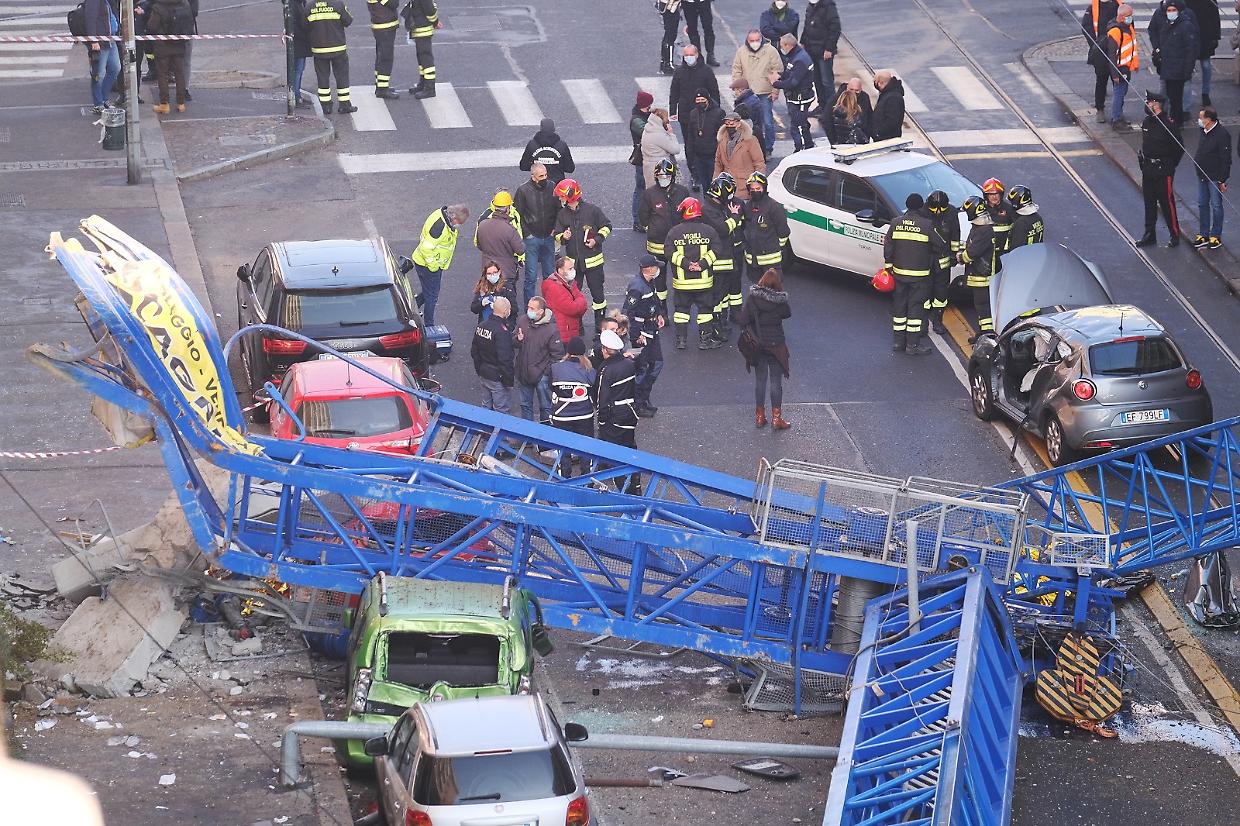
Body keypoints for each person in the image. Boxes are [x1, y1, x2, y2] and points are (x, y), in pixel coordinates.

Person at [883, 193, 944, 356]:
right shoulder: (927, 225)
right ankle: (913, 345)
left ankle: (898, 342)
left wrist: (889, 266)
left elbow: (888, 245)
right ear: (920, 206)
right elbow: (939, 245)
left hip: (899, 274)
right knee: (915, 310)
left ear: (907, 205)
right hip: (919, 276)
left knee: (899, 308)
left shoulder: (896, 222)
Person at [735, 268, 791, 430]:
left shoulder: (753, 299)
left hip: (758, 345)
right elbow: (787, 313)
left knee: (760, 380)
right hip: (776, 345)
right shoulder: (780, 302)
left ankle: (760, 416)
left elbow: (743, 320)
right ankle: (776, 419)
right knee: (775, 382)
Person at [666, 197, 724, 350]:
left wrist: (687, 265)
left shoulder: (674, 232)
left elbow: (669, 252)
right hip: (703, 283)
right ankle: (705, 340)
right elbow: (717, 250)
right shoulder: (709, 231)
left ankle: (681, 340)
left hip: (682, 283)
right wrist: (701, 265)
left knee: (681, 311)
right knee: (705, 311)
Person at [553, 179, 612, 329]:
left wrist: (596, 240)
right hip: (573, 266)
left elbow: (607, 226)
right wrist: (563, 237)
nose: (560, 199)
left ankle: (600, 327)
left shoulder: (592, 211)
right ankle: (577, 327)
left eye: (562, 196)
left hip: (594, 263)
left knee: (598, 297)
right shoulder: (562, 214)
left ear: (570, 195)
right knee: (573, 296)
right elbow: (557, 234)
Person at [594, 328, 641, 493]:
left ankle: (624, 491)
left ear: (606, 350)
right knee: (630, 451)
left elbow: (601, 399)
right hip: (629, 414)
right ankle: (636, 487)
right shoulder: (629, 364)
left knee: (614, 457)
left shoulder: (606, 370)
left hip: (613, 418)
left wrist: (601, 421)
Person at [639, 158, 692, 305]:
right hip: (657, 244)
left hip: (678, 244)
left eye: (667, 176)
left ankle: (681, 305)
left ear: (672, 176)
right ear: (656, 176)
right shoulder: (650, 194)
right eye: (661, 176)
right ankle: (661, 307)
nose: (664, 178)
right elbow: (643, 216)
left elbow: (688, 214)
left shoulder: (682, 192)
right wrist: (653, 229)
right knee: (659, 278)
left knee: (680, 276)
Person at [1135, 90, 1184, 248]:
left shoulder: (1168, 124)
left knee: (1166, 203)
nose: (1147, 104)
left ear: (1156, 104)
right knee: (1149, 203)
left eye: (1149, 102)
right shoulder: (1147, 122)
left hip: (1163, 170)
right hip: (1148, 168)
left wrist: (1170, 165)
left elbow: (1179, 148)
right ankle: (1149, 234)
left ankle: (1174, 234)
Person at [622, 255, 667, 417]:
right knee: (642, 369)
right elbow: (628, 313)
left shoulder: (649, 282)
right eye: (656, 266)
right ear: (648, 269)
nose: (658, 269)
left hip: (651, 330)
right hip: (642, 335)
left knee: (656, 364)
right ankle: (637, 404)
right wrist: (636, 336)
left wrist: (659, 315)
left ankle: (643, 398)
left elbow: (653, 302)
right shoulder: (637, 287)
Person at [411, 203, 469, 326]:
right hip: (428, 265)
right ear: (454, 217)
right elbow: (426, 248)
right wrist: (434, 267)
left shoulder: (441, 216)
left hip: (428, 263)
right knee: (432, 297)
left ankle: (412, 306)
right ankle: (429, 325)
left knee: (429, 291)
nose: (459, 225)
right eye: (459, 222)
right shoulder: (440, 227)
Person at [702, 173, 744, 337]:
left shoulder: (716, 206)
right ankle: (715, 325)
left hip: (726, 259)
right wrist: (735, 216)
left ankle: (720, 322)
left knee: (723, 295)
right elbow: (723, 229)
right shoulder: (709, 210)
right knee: (717, 295)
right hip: (718, 261)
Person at [549, 337, 596, 477]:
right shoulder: (589, 369)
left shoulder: (555, 368)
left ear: (568, 351)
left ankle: (564, 478)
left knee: (563, 449)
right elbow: (594, 389)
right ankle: (587, 479)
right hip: (584, 415)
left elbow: (551, 387)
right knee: (586, 448)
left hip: (561, 416)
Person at [731, 30, 782, 158]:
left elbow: (777, 71)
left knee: (768, 122)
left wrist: (775, 91)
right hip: (747, 94)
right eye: (751, 41)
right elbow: (736, 70)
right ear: (747, 41)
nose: (754, 43)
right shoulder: (741, 52)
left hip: (765, 93)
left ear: (761, 39)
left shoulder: (771, 51)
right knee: (746, 123)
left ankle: (768, 148)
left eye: (757, 40)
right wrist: (737, 89)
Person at [514, 296, 563, 426]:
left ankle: (544, 435)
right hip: (524, 372)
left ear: (541, 311)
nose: (528, 310)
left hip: (542, 376)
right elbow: (513, 341)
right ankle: (527, 434)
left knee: (545, 407)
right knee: (525, 405)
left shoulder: (551, 329)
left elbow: (557, 356)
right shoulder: (523, 320)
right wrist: (518, 340)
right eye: (528, 307)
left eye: (532, 308)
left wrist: (545, 373)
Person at [514, 163, 559, 303]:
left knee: (550, 275)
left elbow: (558, 209)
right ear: (533, 177)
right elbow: (518, 215)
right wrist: (527, 234)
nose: (544, 178)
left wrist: (555, 228)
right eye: (541, 176)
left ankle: (549, 305)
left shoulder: (552, 186)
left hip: (548, 236)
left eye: (545, 175)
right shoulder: (523, 191)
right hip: (531, 239)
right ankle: (530, 307)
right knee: (531, 276)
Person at [303, 0, 356, 114]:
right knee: (342, 76)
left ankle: (326, 106)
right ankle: (344, 105)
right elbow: (348, 20)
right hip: (338, 48)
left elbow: (304, 26)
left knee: (322, 78)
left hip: (319, 49)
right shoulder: (338, 4)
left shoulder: (309, 7)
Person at [1151, 2, 1199, 124]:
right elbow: (1159, 39)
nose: (1171, 12)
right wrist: (1157, 53)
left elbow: (1191, 49)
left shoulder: (1185, 26)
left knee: (1176, 99)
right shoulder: (1167, 25)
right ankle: (1170, 120)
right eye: (1169, 10)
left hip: (1178, 69)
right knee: (1170, 96)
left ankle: (1177, 122)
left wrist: (1188, 69)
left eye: (1173, 10)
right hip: (1167, 67)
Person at [959, 196, 1000, 337]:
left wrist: (960, 257)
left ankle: (987, 334)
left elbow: (973, 252)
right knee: (981, 308)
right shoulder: (981, 226)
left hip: (982, 277)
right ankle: (982, 332)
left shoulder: (983, 230)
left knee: (983, 308)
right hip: (979, 275)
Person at [769, 34, 816, 152]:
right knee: (800, 123)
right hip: (797, 97)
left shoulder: (800, 60)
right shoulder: (796, 55)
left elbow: (793, 82)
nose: (781, 48)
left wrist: (776, 83)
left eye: (781, 46)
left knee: (798, 125)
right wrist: (780, 76)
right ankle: (806, 145)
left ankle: (803, 149)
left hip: (800, 98)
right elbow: (789, 72)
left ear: (787, 45)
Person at [145, 0, 193, 114]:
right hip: (179, 44)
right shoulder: (183, 4)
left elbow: (152, 26)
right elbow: (189, 23)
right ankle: (180, 103)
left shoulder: (158, 6)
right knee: (179, 73)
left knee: (162, 74)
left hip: (162, 45)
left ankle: (164, 104)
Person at [1193, 106, 1231, 249]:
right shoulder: (1204, 130)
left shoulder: (1222, 134)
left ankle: (1215, 235)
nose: (1199, 120)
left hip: (1214, 176)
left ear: (1209, 119)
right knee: (1202, 204)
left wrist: (1223, 179)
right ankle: (1204, 234)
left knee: (1216, 205)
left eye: (1201, 117)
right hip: (1202, 174)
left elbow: (1225, 159)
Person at [669, 45, 720, 149]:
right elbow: (674, 92)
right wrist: (672, 111)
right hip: (685, 113)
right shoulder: (679, 71)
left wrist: (716, 110)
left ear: (697, 55)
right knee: (688, 142)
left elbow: (714, 91)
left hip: (702, 112)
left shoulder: (706, 71)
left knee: (702, 139)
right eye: (686, 55)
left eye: (691, 54)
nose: (689, 57)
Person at [924, 190, 960, 335]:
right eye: (935, 209)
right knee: (924, 292)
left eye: (941, 209)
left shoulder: (952, 212)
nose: (938, 212)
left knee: (941, 294)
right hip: (926, 259)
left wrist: (954, 255)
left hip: (943, 261)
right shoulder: (922, 211)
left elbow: (955, 234)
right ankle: (923, 324)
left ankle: (937, 321)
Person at [475, 191, 526, 294]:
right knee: (507, 300)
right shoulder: (509, 229)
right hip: (507, 271)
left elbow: (479, 245)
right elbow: (520, 250)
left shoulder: (483, 224)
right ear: (507, 208)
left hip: (488, 269)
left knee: (488, 297)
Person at [471, 295, 515, 413]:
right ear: (505, 311)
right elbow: (505, 359)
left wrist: (480, 369)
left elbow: (474, 352)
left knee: (486, 407)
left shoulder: (481, 326)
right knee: (501, 411)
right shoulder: (502, 332)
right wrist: (508, 381)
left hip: (484, 373)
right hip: (497, 377)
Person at [743, 172, 790, 279]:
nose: (755, 191)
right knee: (755, 288)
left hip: (771, 262)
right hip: (752, 261)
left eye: (758, 188)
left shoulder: (774, 207)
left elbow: (784, 232)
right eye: (752, 189)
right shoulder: (748, 206)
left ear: (764, 188)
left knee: (772, 288)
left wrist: (774, 247)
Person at [1081, 0, 1119, 123]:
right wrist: (1095, 44)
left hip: (1116, 50)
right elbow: (1086, 27)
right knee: (1101, 80)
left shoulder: (1118, 5)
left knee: (1118, 82)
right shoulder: (1093, 8)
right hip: (1100, 50)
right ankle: (1100, 109)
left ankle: (1118, 112)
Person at [800, 0, 841, 112]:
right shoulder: (810, 7)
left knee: (826, 81)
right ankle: (822, 105)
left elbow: (835, 29)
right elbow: (807, 26)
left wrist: (829, 48)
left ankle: (831, 107)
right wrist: (803, 41)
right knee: (817, 80)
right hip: (811, 49)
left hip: (824, 51)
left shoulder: (829, 7)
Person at [713, 112, 765, 198]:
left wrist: (757, 184)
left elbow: (759, 163)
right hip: (727, 187)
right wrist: (715, 181)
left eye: (731, 124)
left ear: (739, 124)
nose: (729, 126)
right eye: (727, 124)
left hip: (744, 186)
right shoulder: (722, 140)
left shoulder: (750, 140)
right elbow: (718, 163)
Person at [1103, 5, 1138, 129]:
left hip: (1125, 67)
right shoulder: (1116, 31)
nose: (1131, 18)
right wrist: (1115, 74)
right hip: (1120, 68)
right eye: (1129, 16)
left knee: (1122, 92)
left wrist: (1134, 64)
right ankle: (1116, 118)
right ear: (1121, 17)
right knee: (1119, 93)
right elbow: (1111, 55)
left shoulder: (1126, 27)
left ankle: (1118, 116)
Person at [84, 0, 120, 114]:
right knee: (99, 74)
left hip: (110, 39)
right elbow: (90, 19)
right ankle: (98, 103)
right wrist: (93, 40)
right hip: (100, 41)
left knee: (115, 68)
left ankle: (104, 98)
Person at [685, 89, 725, 192]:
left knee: (715, 185)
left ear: (708, 99)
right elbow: (690, 135)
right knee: (705, 185)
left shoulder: (718, 113)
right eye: (697, 100)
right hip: (699, 156)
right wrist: (690, 155)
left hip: (713, 156)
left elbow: (723, 136)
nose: (700, 102)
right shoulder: (693, 113)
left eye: (702, 99)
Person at [542, 255, 588, 342]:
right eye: (570, 269)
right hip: (563, 334)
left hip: (568, 330)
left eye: (573, 268)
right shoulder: (554, 288)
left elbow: (579, 302)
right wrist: (581, 301)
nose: (573, 271)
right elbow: (573, 308)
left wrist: (579, 301)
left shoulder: (569, 283)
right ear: (560, 270)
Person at [402, 0, 440, 98]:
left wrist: (435, 22)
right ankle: (423, 84)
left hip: (423, 29)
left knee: (426, 58)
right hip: (419, 28)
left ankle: (430, 88)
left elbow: (430, 11)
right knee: (421, 58)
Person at [1185, 0, 1220, 107]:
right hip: (1190, 36)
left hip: (1206, 35)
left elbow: (1215, 17)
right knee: (1188, 68)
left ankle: (1205, 93)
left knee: (1206, 65)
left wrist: (1216, 36)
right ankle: (1186, 98)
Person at [519, 118, 576, 185]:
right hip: (557, 185)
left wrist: (537, 165)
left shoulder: (532, 144)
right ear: (554, 129)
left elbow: (523, 166)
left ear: (541, 128)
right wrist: (557, 164)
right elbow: (570, 168)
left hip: (537, 186)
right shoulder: (562, 145)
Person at [642, 108, 683, 188]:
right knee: (663, 192)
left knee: (651, 191)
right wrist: (671, 134)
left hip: (648, 166)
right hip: (661, 168)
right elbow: (675, 149)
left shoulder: (647, 129)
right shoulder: (659, 134)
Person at [630, 91, 654, 227]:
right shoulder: (637, 120)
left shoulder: (642, 116)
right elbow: (647, 132)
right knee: (640, 189)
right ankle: (638, 220)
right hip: (642, 158)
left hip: (646, 157)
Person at [367, 0, 400, 99]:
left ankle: (380, 85)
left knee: (381, 56)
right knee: (386, 58)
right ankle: (382, 89)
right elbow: (394, 3)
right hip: (385, 26)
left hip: (380, 25)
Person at [981, 177, 1013, 257]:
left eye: (996, 194)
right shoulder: (981, 210)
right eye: (991, 194)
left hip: (1003, 252)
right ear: (986, 195)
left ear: (1001, 194)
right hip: (985, 251)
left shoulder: (1009, 209)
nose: (994, 197)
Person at [681, 0, 719, 66]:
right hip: (688, 3)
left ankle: (710, 55)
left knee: (708, 27)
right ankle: (698, 56)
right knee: (692, 29)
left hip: (703, 2)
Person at [871, 69, 905, 140]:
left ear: (880, 83)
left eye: (875, 82)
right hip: (884, 138)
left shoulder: (893, 97)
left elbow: (892, 121)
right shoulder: (887, 94)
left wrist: (877, 133)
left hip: (888, 140)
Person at [290, 0, 312, 107]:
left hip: (301, 44)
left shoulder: (301, 3)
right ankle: (296, 97)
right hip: (298, 44)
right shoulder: (294, 4)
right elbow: (293, 27)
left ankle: (297, 96)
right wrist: (307, 37)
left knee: (300, 70)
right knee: (297, 71)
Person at [658, 0, 683, 76]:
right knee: (670, 36)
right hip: (670, 7)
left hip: (666, 7)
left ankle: (664, 61)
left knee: (668, 35)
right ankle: (668, 64)